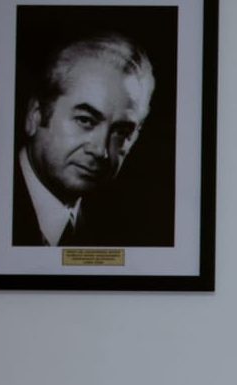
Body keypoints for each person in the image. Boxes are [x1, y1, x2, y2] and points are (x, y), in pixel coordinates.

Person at [14, 32, 155, 247]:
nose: (101, 151)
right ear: (35, 115)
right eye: (85, 120)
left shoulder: (125, 230)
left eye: (121, 132)